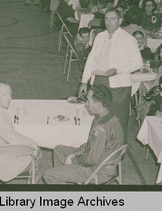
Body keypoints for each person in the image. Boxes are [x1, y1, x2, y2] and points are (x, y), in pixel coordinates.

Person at [78, 9, 143, 141]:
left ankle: (116, 153)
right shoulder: (99, 36)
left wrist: (117, 70)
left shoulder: (128, 39)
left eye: (113, 19)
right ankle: (96, 149)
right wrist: (84, 81)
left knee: (117, 120)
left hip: (119, 85)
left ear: (120, 20)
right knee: (99, 118)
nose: (109, 22)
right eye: (106, 19)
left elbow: (137, 63)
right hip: (99, 83)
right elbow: (91, 59)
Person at [43, 84, 124, 184]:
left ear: (98, 105)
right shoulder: (108, 116)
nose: (86, 104)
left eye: (89, 101)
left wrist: (75, 161)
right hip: (99, 160)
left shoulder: (101, 129)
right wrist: (73, 154)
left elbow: (91, 160)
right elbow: (91, 145)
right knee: (58, 149)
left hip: (97, 171)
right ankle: (65, 179)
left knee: (49, 175)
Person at [0, 82, 41, 183]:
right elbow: (14, 139)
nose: (9, 98)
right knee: (37, 152)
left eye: (10, 94)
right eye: (4, 94)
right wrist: (32, 143)